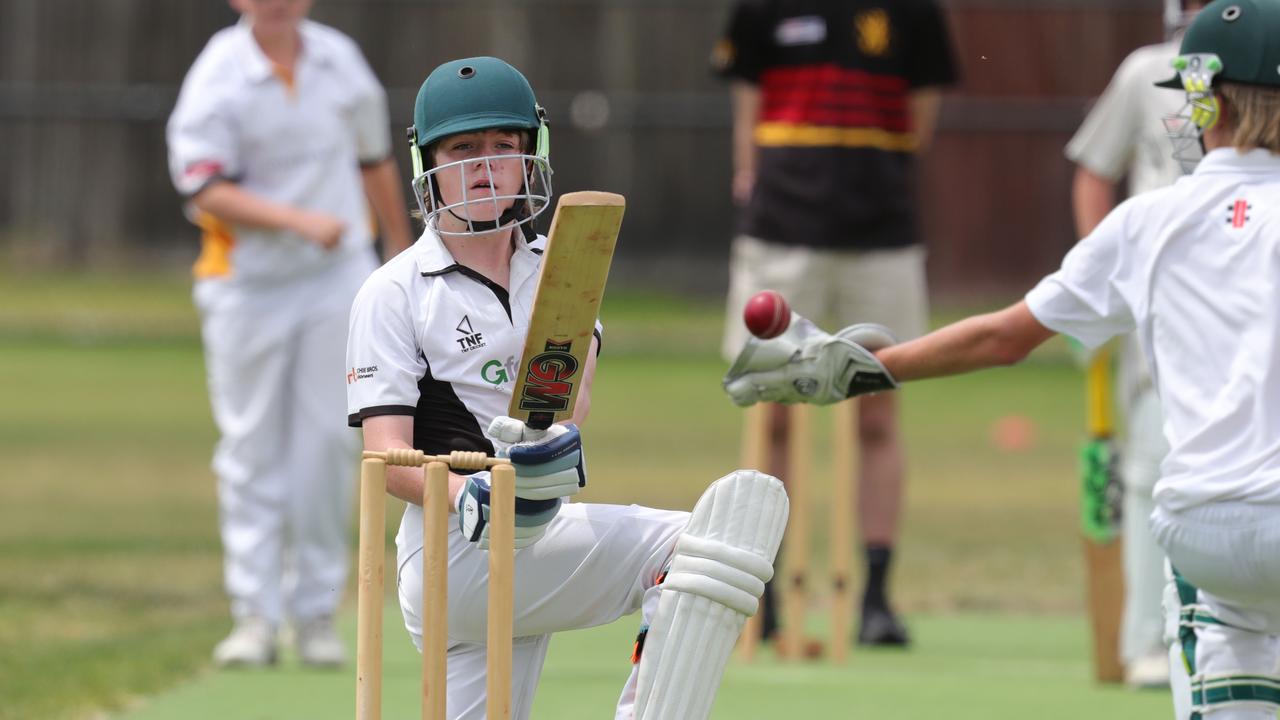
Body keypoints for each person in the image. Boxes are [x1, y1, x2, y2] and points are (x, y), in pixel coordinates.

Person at [725, 2, 1280, 717]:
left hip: (1203, 532)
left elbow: (1001, 337)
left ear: (1206, 103)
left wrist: (868, 367)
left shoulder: (1149, 219)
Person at [345, 56, 787, 720]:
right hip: (453, 554)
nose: (485, 164)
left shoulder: (562, 268)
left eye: (503, 145)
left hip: (535, 538)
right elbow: (386, 456)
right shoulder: (395, 290)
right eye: (463, 148)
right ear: (428, 162)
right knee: (698, 546)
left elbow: (565, 411)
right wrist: (477, 495)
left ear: (532, 155)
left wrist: (539, 442)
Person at [166, 0, 412, 667]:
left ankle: (315, 616)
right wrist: (297, 221)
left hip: (337, 281)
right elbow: (204, 188)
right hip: (245, 284)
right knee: (251, 445)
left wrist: (402, 253)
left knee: (331, 440)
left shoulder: (340, 62)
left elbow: (374, 160)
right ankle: (254, 616)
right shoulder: (218, 73)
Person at [711, 0, 958, 646]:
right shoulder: (763, 8)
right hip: (782, 233)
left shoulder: (914, 11)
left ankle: (873, 596)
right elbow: (748, 104)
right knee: (776, 412)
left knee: (876, 410)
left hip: (881, 236)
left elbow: (921, 116)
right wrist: (753, 182)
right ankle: (764, 591)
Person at [1064, 0, 1207, 688]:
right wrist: (1102, 270)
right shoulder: (1148, 72)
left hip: (1249, 290)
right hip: (1157, 295)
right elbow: (1095, 168)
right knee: (1152, 461)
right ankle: (1148, 639)